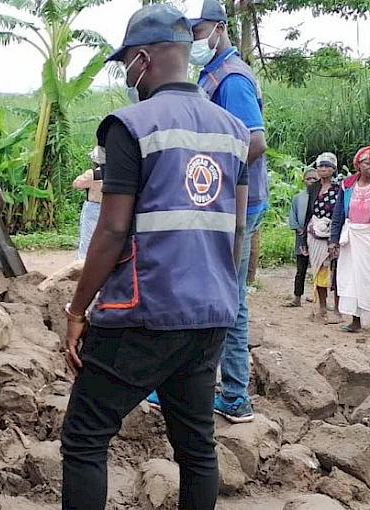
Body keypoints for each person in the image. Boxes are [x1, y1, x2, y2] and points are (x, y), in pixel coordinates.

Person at [60, 5, 249, 509]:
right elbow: (235, 230)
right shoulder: (232, 131)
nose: (127, 73)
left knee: (85, 436)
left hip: (144, 313)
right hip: (210, 313)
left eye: (126, 63)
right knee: (197, 447)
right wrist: (224, 295)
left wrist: (77, 311)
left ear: (143, 59)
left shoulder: (131, 124)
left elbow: (114, 226)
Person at [147, 0, 268, 423]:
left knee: (224, 298)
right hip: (227, 200)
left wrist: (209, 169)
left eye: (197, 31)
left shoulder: (232, 78)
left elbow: (254, 141)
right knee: (216, 294)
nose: (192, 39)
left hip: (234, 202)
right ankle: (203, 387)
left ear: (218, 28)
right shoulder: (214, 72)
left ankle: (231, 394)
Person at [331, 146, 370, 333]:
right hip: (352, 237)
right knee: (353, 279)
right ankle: (355, 321)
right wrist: (333, 240)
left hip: (368, 237)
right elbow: (338, 213)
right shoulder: (347, 185)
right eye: (367, 163)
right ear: (359, 165)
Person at [301, 152, 342, 324]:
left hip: (334, 232)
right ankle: (322, 308)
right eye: (320, 166)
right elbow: (308, 213)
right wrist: (303, 239)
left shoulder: (340, 188)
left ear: (333, 169)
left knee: (337, 273)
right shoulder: (313, 188)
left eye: (327, 166)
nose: (323, 169)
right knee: (319, 270)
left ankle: (338, 309)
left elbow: (341, 212)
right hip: (315, 234)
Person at [285, 169, 319, 307]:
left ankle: (319, 299)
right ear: (303, 181)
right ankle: (297, 298)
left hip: (318, 238)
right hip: (301, 238)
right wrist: (299, 229)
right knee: (301, 269)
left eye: (314, 179)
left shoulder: (322, 196)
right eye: (308, 179)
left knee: (320, 270)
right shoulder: (298, 198)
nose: (311, 181)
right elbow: (292, 216)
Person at [73, 147, 105, 259]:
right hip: (109, 207)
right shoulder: (114, 173)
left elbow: (77, 184)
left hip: (92, 207)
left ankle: (82, 265)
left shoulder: (93, 174)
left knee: (87, 238)